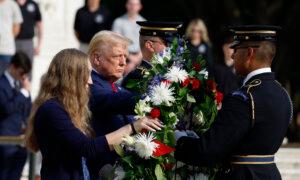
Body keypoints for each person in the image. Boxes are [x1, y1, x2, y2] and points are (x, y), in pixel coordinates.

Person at [175, 25, 293, 180]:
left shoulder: (243, 98)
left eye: (236, 50)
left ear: (249, 53)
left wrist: (180, 139)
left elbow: (210, 150)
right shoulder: (282, 93)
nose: (232, 56)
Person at [25, 48, 162, 180]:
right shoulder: (52, 109)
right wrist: (131, 128)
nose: (90, 81)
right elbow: (86, 148)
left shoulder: (68, 107)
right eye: (87, 74)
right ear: (72, 77)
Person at [87, 31, 143, 176]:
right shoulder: (90, 85)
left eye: (125, 56)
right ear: (97, 58)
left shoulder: (116, 87)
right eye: (118, 56)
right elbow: (113, 101)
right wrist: (152, 96)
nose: (124, 62)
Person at [121, 21, 182, 89]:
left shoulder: (174, 72)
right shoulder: (138, 78)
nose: (174, 49)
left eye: (175, 45)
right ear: (150, 46)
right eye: (169, 45)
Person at [0, 51, 32, 180]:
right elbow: (6, 109)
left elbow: (27, 109)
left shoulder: (20, 85)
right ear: (12, 67)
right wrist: (24, 92)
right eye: (21, 72)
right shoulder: (1, 84)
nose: (23, 76)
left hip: (20, 141)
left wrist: (27, 93)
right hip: (5, 141)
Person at [15, 0, 43, 67]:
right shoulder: (11, 3)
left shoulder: (33, 4)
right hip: (12, 43)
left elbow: (40, 26)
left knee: (27, 67)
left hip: (28, 43)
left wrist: (39, 46)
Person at [213, 30, 241, 95]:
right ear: (223, 48)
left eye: (231, 48)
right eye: (227, 47)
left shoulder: (239, 67)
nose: (229, 51)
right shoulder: (216, 67)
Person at [0, 0, 23, 75]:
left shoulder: (12, 5)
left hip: (6, 49)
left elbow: (17, 27)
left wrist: (7, 38)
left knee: (5, 76)